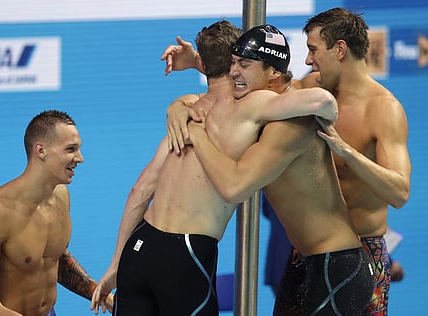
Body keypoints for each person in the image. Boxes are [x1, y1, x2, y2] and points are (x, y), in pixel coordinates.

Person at [90, 21, 338, 315]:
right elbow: (323, 101)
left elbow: (140, 190)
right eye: (236, 62)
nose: (238, 70)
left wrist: (116, 264)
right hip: (186, 253)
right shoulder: (250, 104)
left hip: (138, 247)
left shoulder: (185, 114)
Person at [282, 8, 410, 315]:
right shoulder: (314, 87)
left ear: (339, 49)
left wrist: (347, 153)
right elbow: (258, 92)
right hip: (309, 253)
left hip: (362, 252)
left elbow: (400, 193)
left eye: (313, 50)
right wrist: (184, 102)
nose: (308, 60)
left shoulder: (383, 109)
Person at [0, 110, 97, 316]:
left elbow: (55, 261)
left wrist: (101, 294)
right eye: (71, 149)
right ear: (41, 150)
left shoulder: (61, 197)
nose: (80, 158)